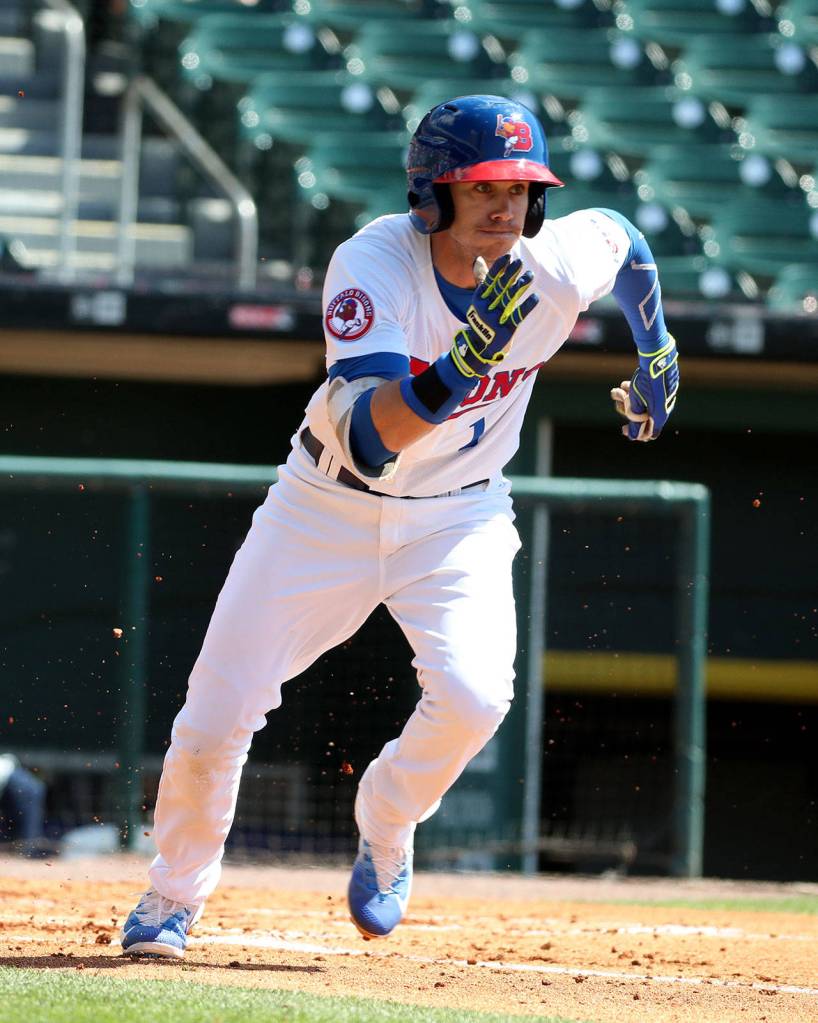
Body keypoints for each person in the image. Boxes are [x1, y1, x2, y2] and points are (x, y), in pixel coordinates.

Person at [120, 94, 679, 957]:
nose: (505, 205)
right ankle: (172, 893)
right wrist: (460, 367)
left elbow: (628, 243)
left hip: (459, 515)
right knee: (216, 714)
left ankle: (387, 816)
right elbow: (372, 439)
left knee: (476, 697)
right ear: (433, 191)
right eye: (482, 186)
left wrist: (656, 348)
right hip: (326, 505)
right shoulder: (372, 261)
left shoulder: (554, 267)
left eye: (520, 188)